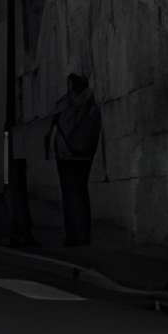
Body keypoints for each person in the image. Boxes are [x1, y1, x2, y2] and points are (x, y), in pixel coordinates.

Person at [45, 74, 102, 246]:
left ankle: (72, 236)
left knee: (69, 196)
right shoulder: (92, 105)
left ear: (71, 86)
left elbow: (56, 127)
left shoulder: (66, 105)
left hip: (66, 156)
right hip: (85, 155)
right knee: (82, 194)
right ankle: (84, 235)